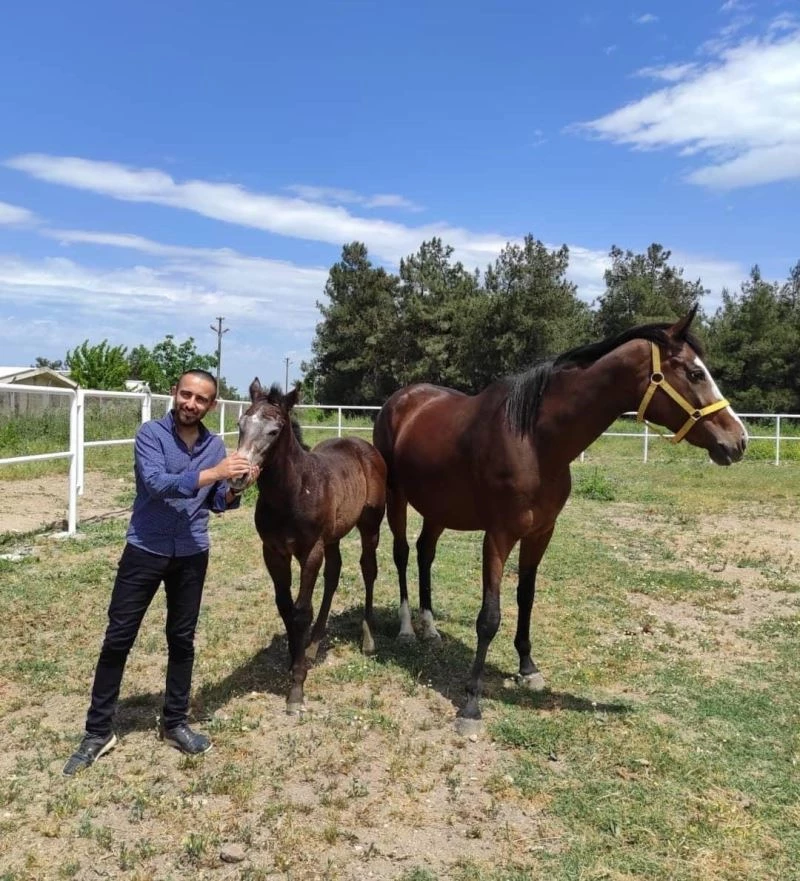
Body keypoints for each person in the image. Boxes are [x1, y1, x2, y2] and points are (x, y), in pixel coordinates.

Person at [63, 369, 258, 776]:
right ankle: (98, 731)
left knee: (182, 639)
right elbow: (158, 484)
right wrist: (217, 473)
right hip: (145, 549)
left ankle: (175, 723)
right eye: (186, 395)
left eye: (201, 399)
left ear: (212, 406)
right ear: (175, 394)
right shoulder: (150, 435)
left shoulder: (214, 446)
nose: (191, 404)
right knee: (118, 637)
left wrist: (237, 486)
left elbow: (217, 502)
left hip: (191, 552)